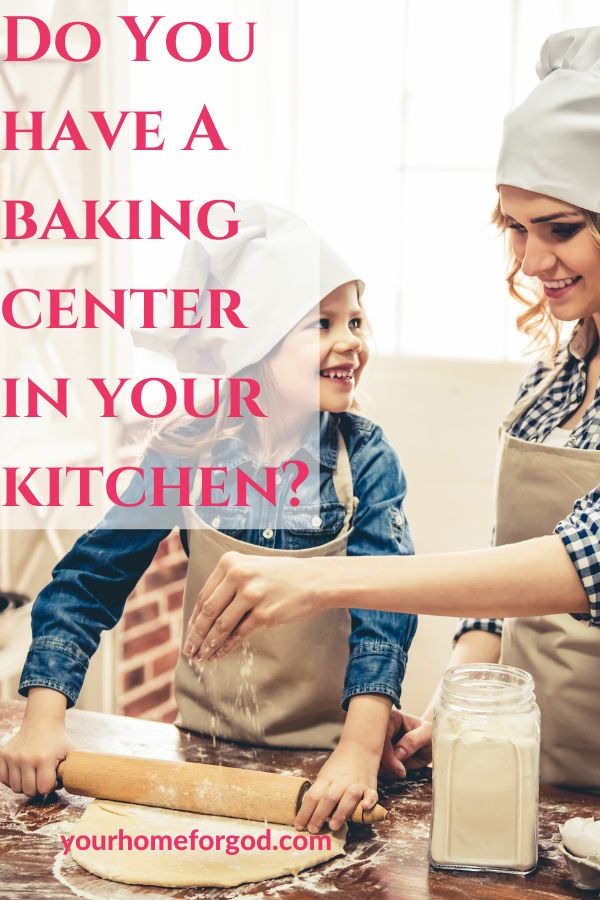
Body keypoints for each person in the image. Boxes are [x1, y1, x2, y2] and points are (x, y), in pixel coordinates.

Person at [184, 28, 600, 790]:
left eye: (561, 229)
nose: (533, 262)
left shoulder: (360, 458)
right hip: (523, 769)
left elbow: (583, 559)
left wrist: (323, 582)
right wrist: (460, 701)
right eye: (517, 228)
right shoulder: (552, 379)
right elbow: (511, 573)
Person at [0, 202, 418, 835]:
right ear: (257, 346)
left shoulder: (366, 459)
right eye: (322, 323)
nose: (351, 341)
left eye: (356, 319)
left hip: (327, 767)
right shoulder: (187, 451)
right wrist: (43, 716)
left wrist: (359, 746)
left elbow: (385, 612)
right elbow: (87, 582)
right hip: (201, 753)